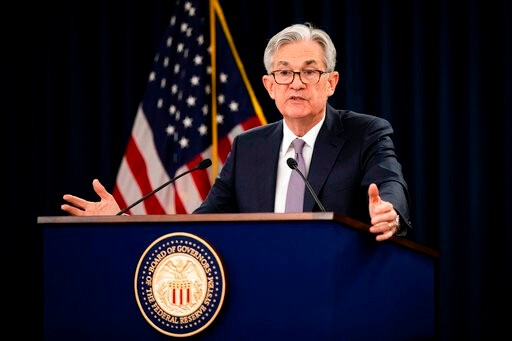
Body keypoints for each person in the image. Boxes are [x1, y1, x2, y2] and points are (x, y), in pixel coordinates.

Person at [61, 22, 411, 242]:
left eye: (310, 72)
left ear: (331, 82)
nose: (296, 84)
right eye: (284, 73)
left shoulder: (365, 133)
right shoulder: (249, 146)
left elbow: (390, 183)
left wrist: (389, 212)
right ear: (269, 85)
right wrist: (122, 224)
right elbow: (202, 223)